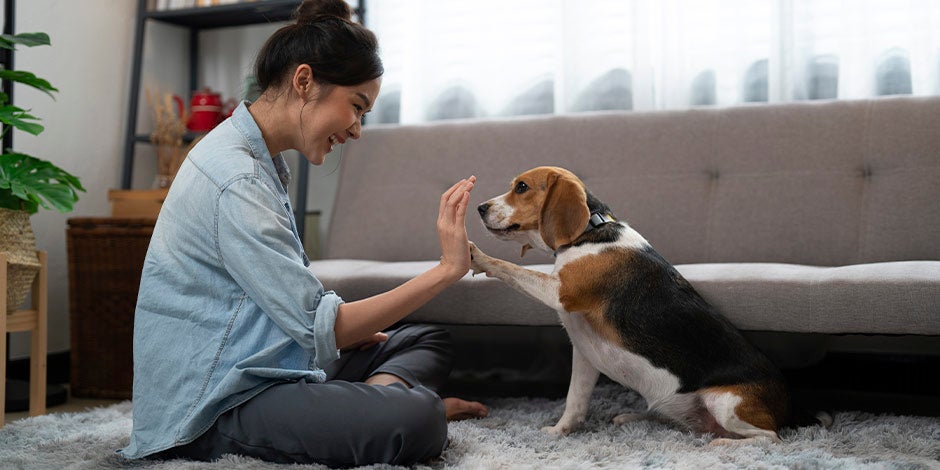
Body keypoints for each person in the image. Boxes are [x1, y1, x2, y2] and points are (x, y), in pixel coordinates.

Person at [117, 0, 487, 466]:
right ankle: (391, 408)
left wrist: (343, 342)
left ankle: (369, 403)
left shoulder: (253, 157)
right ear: (305, 81)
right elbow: (324, 326)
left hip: (260, 360)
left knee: (425, 337)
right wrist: (448, 270)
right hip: (216, 405)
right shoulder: (237, 179)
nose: (357, 130)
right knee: (421, 421)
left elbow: (297, 317)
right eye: (356, 107)